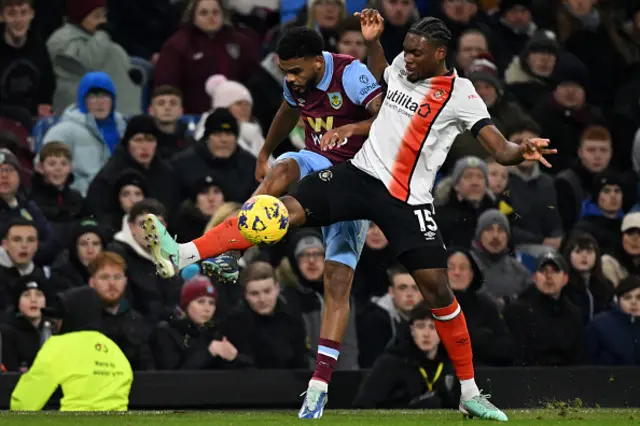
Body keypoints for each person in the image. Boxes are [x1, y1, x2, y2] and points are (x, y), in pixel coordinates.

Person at [144, 11, 556, 420]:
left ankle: (469, 393)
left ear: (439, 53)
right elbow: (386, 81)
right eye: (405, 51)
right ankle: (183, 254)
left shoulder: (461, 94)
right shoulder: (399, 67)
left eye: (415, 53)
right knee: (276, 212)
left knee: (439, 293)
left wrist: (522, 151)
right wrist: (376, 43)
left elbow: (499, 149)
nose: (407, 59)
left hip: (407, 201)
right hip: (358, 176)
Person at [145, 21, 382, 392]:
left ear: (317, 62)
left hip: (355, 179)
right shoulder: (295, 79)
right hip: (318, 163)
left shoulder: (351, 74)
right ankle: (207, 252)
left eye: (295, 71)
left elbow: (386, 117)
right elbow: (288, 112)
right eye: (284, 71)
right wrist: (265, 150)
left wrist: (350, 130)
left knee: (336, 284)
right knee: (284, 167)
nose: (289, 78)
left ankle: (320, 383)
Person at [10, 286, 133, 411]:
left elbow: (24, 404)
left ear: (71, 316)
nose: (55, 323)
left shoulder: (57, 347)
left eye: (59, 317)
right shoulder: (116, 352)